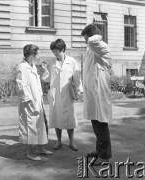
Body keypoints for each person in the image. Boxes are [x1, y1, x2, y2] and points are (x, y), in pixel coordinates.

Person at [42, 39, 83, 151]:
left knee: (70, 118)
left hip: (67, 93)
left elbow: (77, 77)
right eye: (53, 51)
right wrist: (45, 70)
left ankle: (71, 142)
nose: (55, 53)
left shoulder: (72, 61)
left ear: (63, 49)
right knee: (57, 117)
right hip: (55, 94)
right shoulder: (51, 63)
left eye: (56, 51)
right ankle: (59, 141)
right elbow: (46, 79)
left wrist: (79, 90)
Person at [81, 24, 112, 165]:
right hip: (92, 94)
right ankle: (100, 150)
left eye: (86, 37)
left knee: (101, 124)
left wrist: (94, 34)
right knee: (96, 122)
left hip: (99, 94)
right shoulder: (91, 50)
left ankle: (104, 156)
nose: (85, 41)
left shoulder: (102, 47)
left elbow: (93, 41)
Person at [16, 44, 52, 161]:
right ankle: (30, 152)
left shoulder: (32, 66)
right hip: (29, 102)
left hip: (37, 100)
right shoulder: (22, 67)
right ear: (31, 55)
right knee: (31, 126)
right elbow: (21, 86)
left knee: (39, 125)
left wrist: (45, 70)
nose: (37, 56)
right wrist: (29, 101)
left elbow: (40, 80)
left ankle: (40, 148)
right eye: (36, 54)